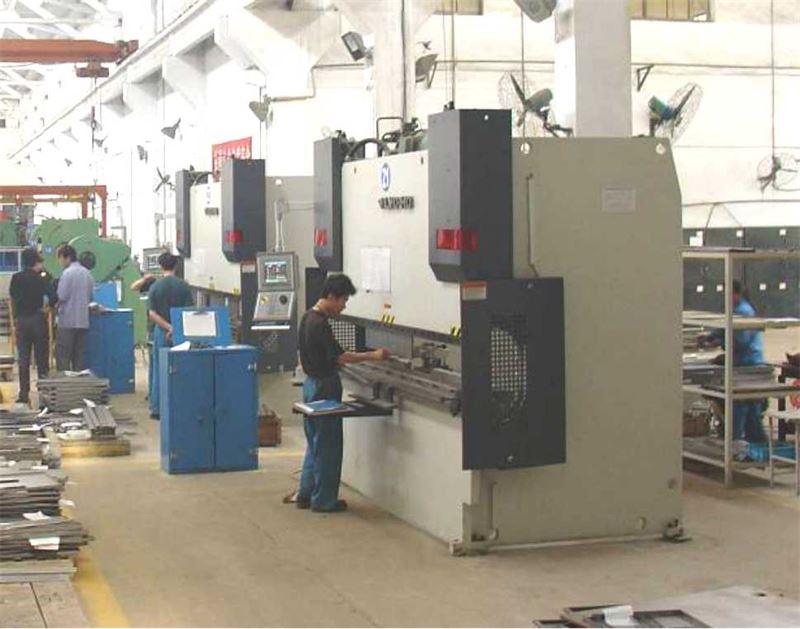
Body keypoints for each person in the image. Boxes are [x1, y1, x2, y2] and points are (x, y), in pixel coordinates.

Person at [289, 274, 390, 513]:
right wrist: (373, 355)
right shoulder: (320, 324)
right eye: (344, 300)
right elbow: (341, 357)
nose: (344, 306)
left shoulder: (306, 317)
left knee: (315, 443)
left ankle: (305, 493)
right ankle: (323, 500)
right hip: (325, 387)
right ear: (332, 296)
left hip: (310, 385)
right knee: (328, 445)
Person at [699, 280, 767, 447]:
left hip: (749, 365)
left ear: (736, 293)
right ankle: (754, 442)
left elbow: (740, 341)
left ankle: (735, 441)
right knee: (750, 407)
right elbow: (722, 328)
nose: (725, 297)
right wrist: (709, 336)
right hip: (741, 363)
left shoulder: (744, 311)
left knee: (741, 404)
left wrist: (718, 343)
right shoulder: (734, 310)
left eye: (727, 293)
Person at [146, 252, 193, 418]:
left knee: (159, 369)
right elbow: (188, 311)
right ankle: (179, 407)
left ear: (160, 266)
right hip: (180, 333)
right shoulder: (184, 286)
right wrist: (175, 328)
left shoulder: (155, 287)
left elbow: (152, 313)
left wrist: (167, 327)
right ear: (176, 266)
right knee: (181, 369)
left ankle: (157, 409)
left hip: (161, 331)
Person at [10, 248, 56, 404]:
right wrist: (48, 307)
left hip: (22, 321)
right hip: (38, 320)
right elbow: (53, 296)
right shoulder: (42, 278)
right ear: (36, 262)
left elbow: (13, 297)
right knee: (42, 358)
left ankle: (24, 395)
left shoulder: (16, 278)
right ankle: (44, 396)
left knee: (23, 359)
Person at [55, 245, 94, 372]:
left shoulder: (67, 274)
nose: (59, 262)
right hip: (83, 321)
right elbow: (90, 297)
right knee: (79, 356)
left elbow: (61, 296)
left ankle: (65, 381)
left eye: (60, 258)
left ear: (67, 257)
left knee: (64, 355)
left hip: (67, 321)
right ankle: (78, 381)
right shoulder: (87, 273)